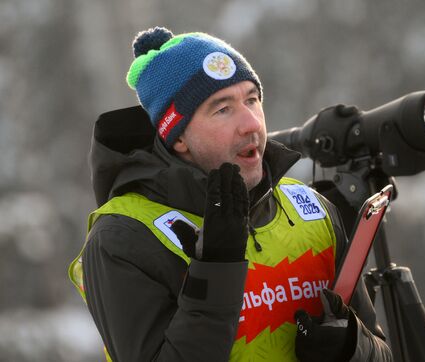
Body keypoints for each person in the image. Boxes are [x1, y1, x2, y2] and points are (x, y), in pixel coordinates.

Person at [69, 26, 392, 362]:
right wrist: (216, 270)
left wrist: (352, 346)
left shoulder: (312, 209)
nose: (251, 123)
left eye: (252, 99)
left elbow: (382, 351)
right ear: (177, 136)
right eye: (222, 109)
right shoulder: (124, 236)